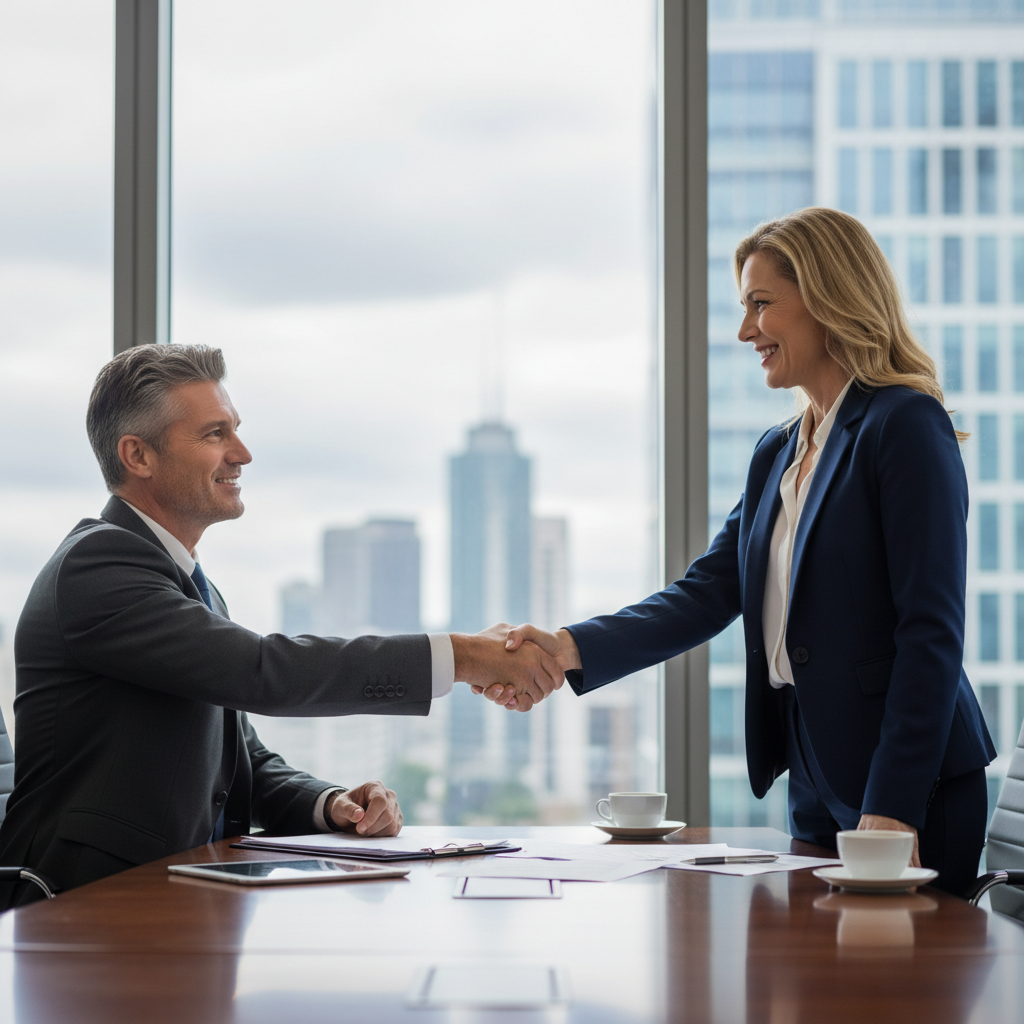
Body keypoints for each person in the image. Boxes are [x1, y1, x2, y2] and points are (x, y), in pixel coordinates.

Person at [486, 207, 996, 896]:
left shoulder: (903, 424)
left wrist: (893, 806)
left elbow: (931, 634)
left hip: (906, 777)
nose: (745, 330)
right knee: (815, 984)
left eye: (762, 305)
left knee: (892, 990)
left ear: (827, 299)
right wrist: (569, 646)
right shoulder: (779, 452)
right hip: (816, 766)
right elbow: (707, 593)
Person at [0, 343, 560, 907]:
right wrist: (460, 655)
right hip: (82, 912)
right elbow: (262, 671)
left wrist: (331, 803)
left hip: (175, 905)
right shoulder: (97, 568)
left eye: (234, 430)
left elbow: (238, 756)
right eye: (215, 434)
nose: (242, 453)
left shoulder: (185, 582)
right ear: (138, 456)